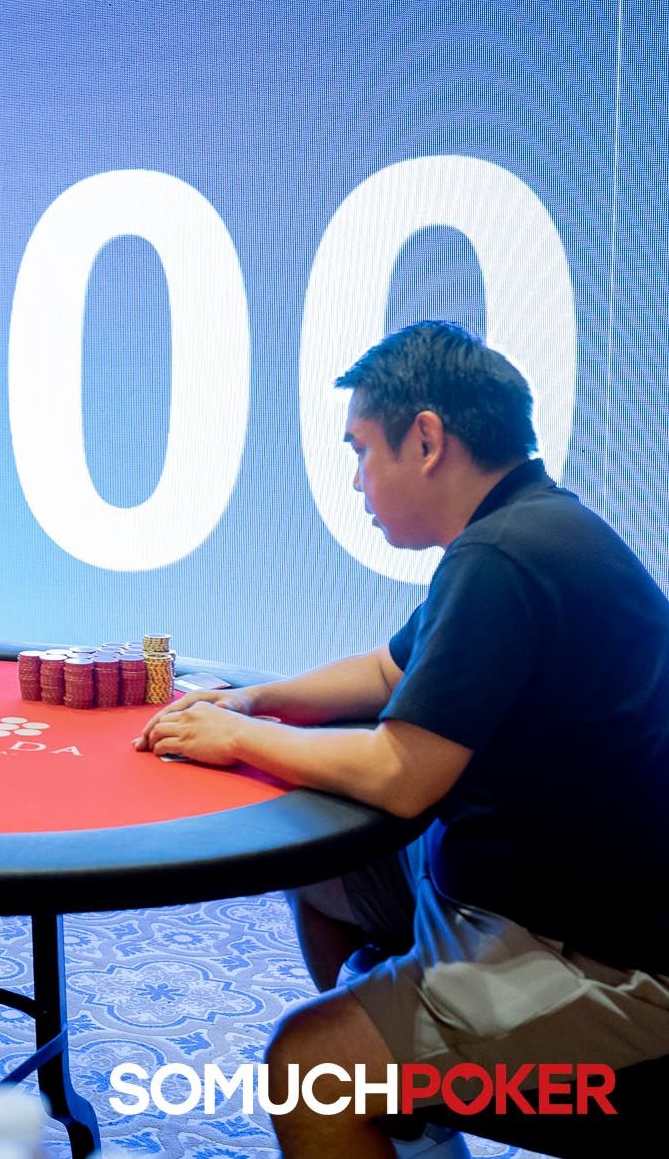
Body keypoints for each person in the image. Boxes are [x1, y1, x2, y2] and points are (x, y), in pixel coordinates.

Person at [134, 321, 669, 1157]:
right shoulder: (528, 527)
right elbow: (389, 670)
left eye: (361, 450)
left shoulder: (503, 557)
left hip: (608, 961)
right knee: (323, 873)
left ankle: (385, 1083)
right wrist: (254, 698)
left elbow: (400, 771)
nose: (356, 479)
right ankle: (409, 1107)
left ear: (425, 438)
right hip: (535, 895)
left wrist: (237, 735)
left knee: (305, 1065)